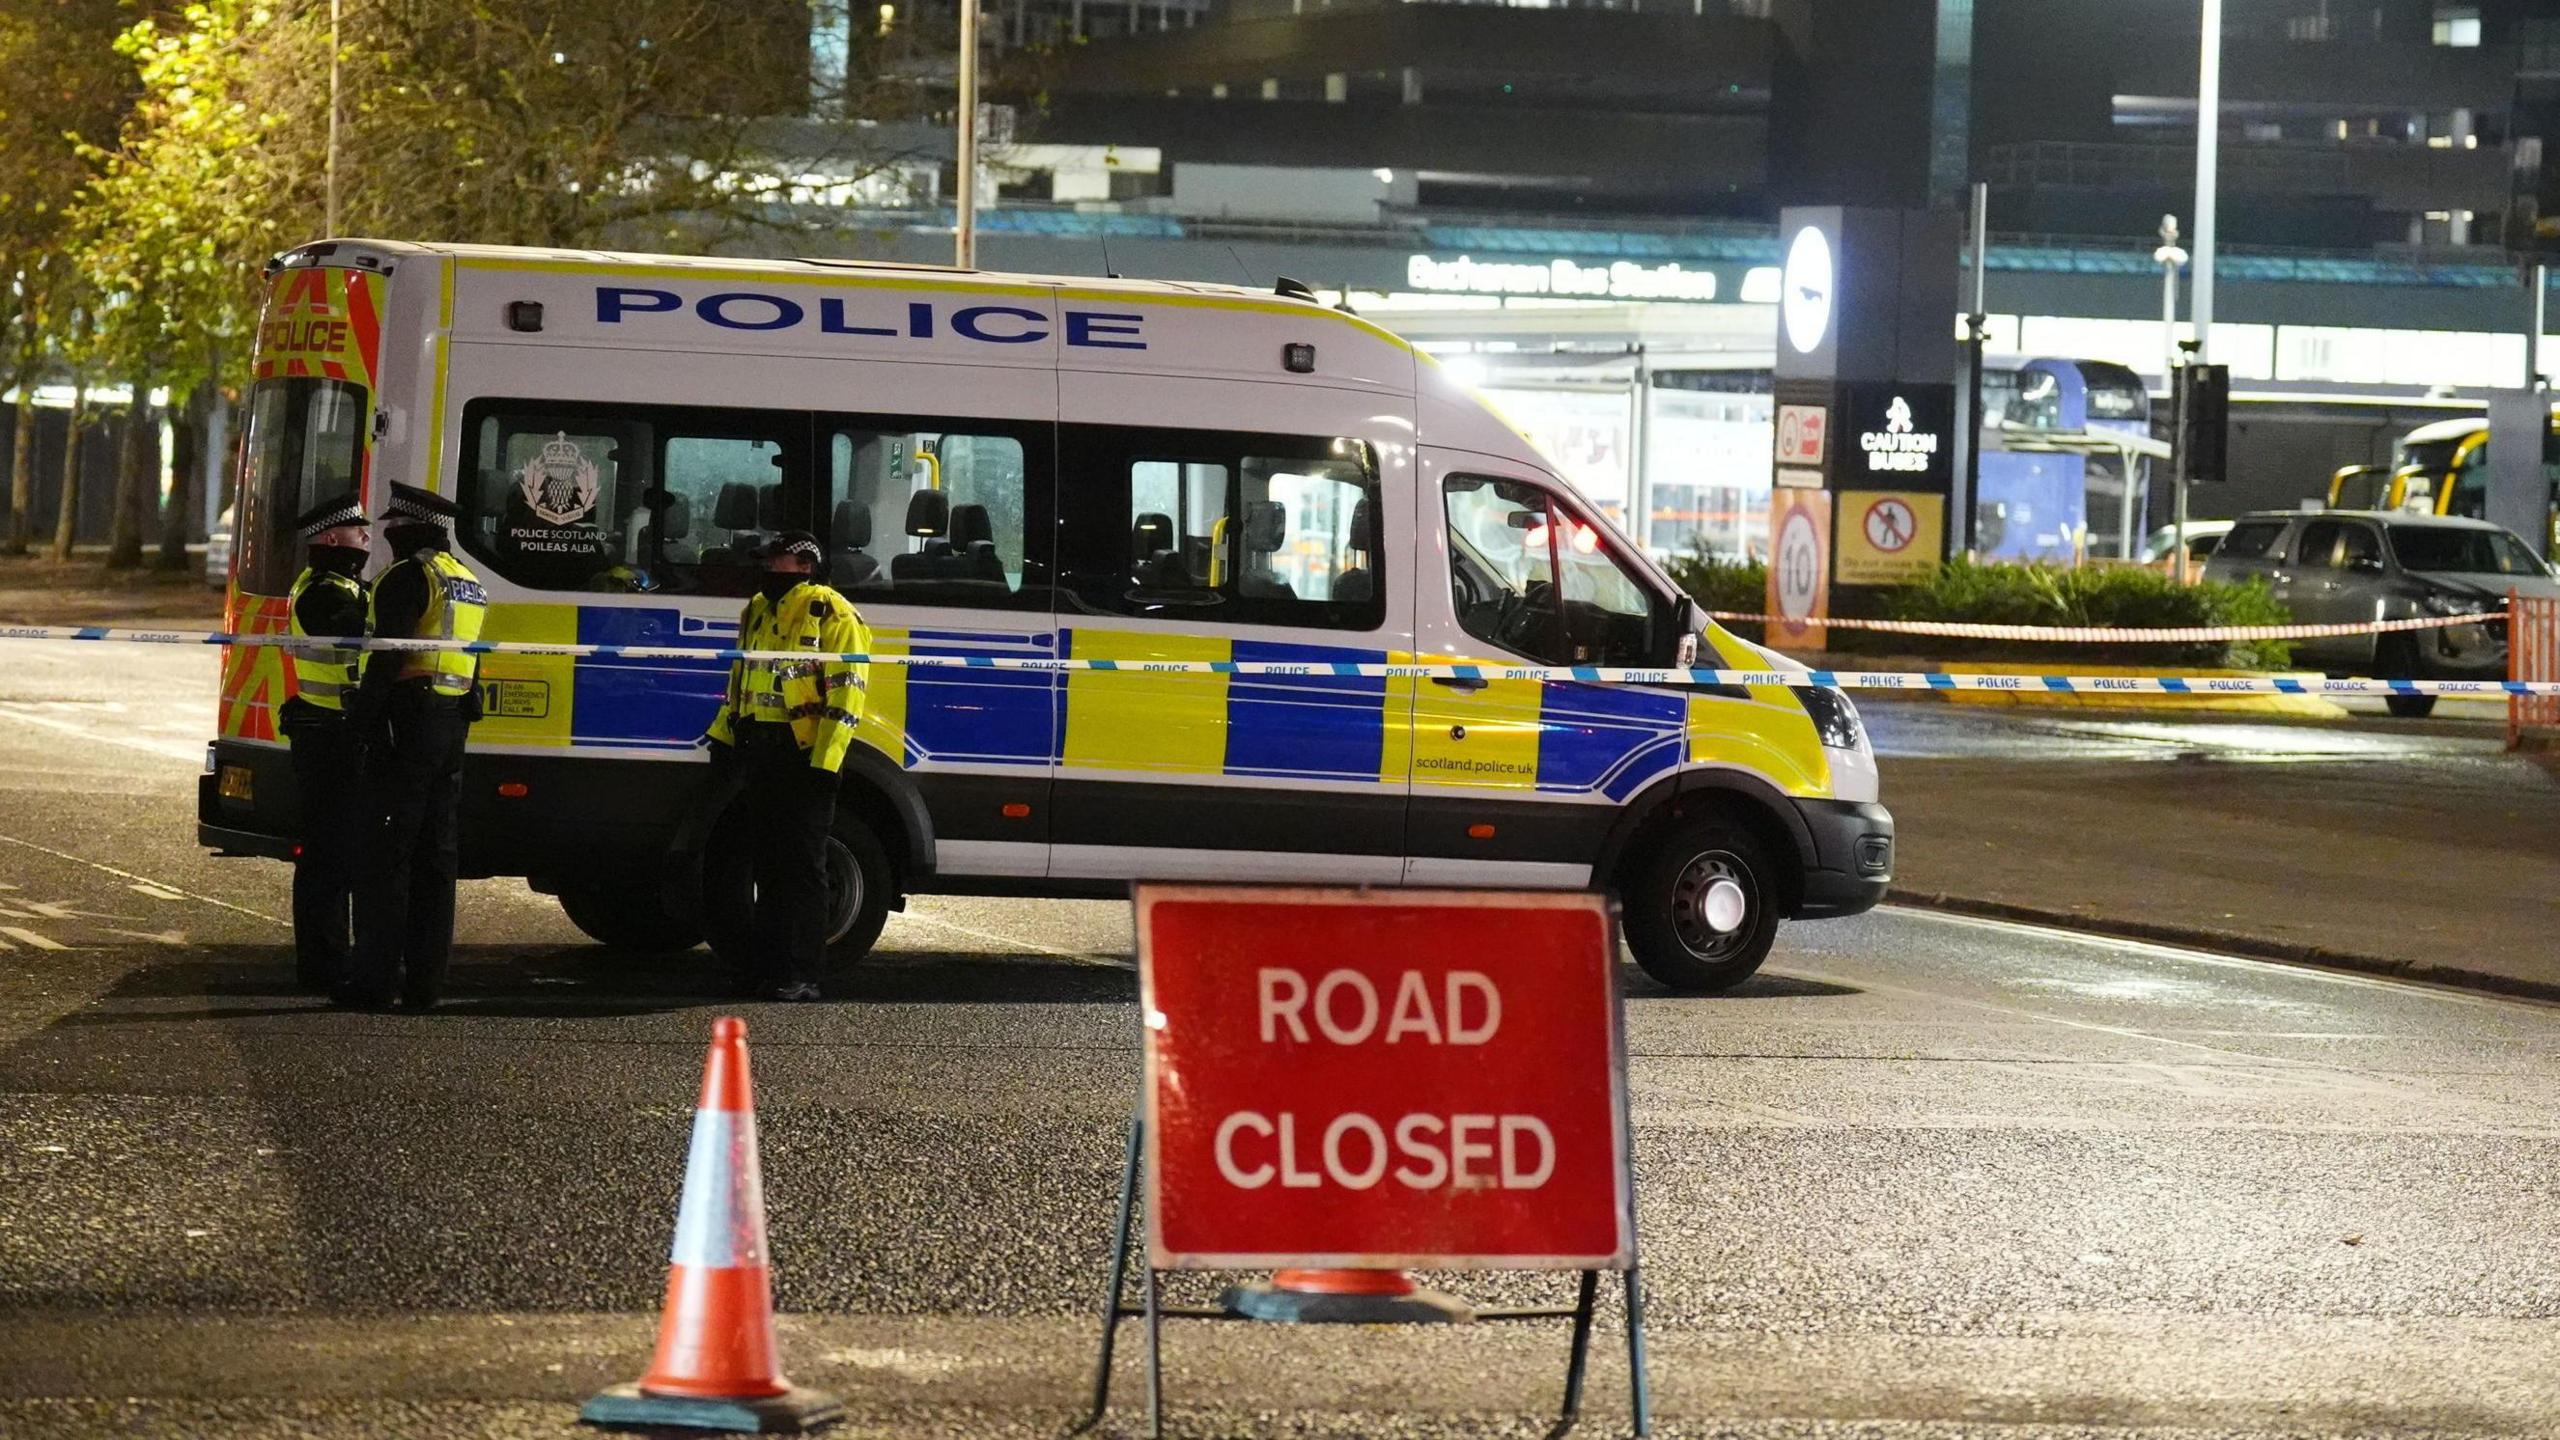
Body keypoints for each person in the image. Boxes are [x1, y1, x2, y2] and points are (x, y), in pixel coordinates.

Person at [703, 530, 870, 1001]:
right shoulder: (757, 607)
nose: (768, 569)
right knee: (768, 865)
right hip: (758, 744)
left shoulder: (831, 610)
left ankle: (802, 973)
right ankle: (769, 968)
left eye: (777, 561)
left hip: (805, 753)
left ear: (805, 565)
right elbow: (741, 678)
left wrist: (826, 759)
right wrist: (724, 733)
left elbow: (849, 689)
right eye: (767, 561)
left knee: (801, 867)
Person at [346, 482, 486, 1010]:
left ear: (412, 528)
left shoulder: (409, 576)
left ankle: (376, 983)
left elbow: (387, 656)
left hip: (406, 724)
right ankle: (426, 984)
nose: (387, 536)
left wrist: (360, 723)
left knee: (388, 855)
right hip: (451, 725)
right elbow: (473, 657)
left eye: (394, 528)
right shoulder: (467, 581)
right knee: (436, 858)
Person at [279, 493, 372, 997]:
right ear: (333, 539)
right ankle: (323, 965)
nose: (367, 539)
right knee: (326, 860)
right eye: (359, 532)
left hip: (336, 733)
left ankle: (334, 959)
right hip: (325, 737)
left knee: (337, 856)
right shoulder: (321, 594)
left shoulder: (343, 586)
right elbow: (365, 636)